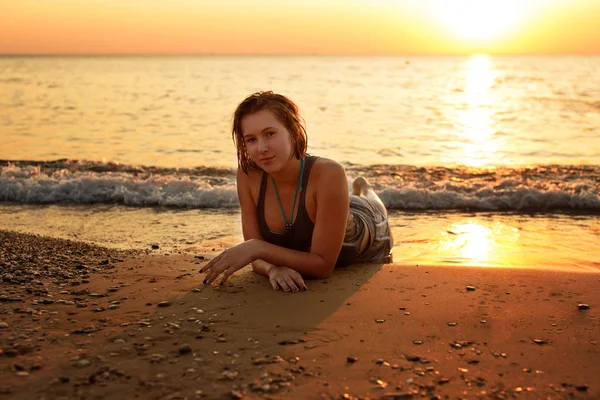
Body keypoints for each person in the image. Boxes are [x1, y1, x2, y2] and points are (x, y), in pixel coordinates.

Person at [200, 91, 392, 292]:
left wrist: (257, 248)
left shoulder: (329, 173)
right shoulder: (249, 175)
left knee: (372, 202)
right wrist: (273, 269)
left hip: (369, 226)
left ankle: (364, 188)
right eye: (251, 139)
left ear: (292, 131)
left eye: (270, 134)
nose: (261, 148)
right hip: (330, 205)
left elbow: (322, 266)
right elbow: (255, 258)